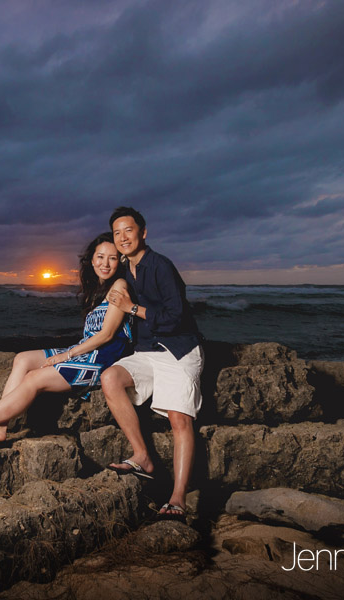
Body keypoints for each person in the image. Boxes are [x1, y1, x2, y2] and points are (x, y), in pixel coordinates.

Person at [0, 232, 132, 448]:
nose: (105, 263)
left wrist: (67, 355)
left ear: (120, 261)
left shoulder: (119, 285)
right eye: (100, 257)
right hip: (87, 351)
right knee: (23, 358)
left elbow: (107, 335)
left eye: (112, 258)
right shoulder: (96, 289)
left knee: (34, 378)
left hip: (103, 359)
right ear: (92, 259)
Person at [101, 206, 204, 521]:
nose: (123, 238)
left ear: (143, 232)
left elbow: (176, 317)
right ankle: (142, 455)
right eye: (117, 233)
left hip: (178, 349)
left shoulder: (161, 266)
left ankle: (178, 498)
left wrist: (133, 308)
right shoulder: (125, 270)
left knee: (179, 418)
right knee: (110, 378)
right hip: (147, 351)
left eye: (128, 230)